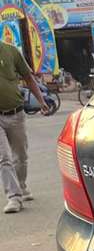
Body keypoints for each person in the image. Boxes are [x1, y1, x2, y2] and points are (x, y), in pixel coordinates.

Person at [1, 40, 54, 215]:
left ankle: (21, 186)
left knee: (20, 155)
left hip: (16, 113)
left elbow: (28, 77)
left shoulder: (10, 51)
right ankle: (14, 197)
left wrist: (41, 101)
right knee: (4, 158)